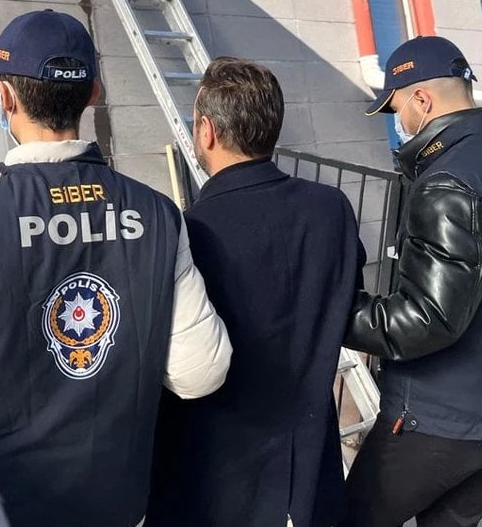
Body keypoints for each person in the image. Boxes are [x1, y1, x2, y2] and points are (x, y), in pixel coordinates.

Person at [0, 9, 232, 527]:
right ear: (93, 94)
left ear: (6, 99)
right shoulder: (160, 215)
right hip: (115, 506)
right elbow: (199, 371)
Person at [340, 36, 482, 527]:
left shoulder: (448, 180)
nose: (400, 123)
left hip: (437, 421)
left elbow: (427, 319)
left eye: (398, 109)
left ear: (422, 100)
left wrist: (337, 312)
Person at [147, 58, 364, 527]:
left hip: (216, 484)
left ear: (207, 131)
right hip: (309, 473)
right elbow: (345, 304)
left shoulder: (188, 234)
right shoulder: (332, 209)